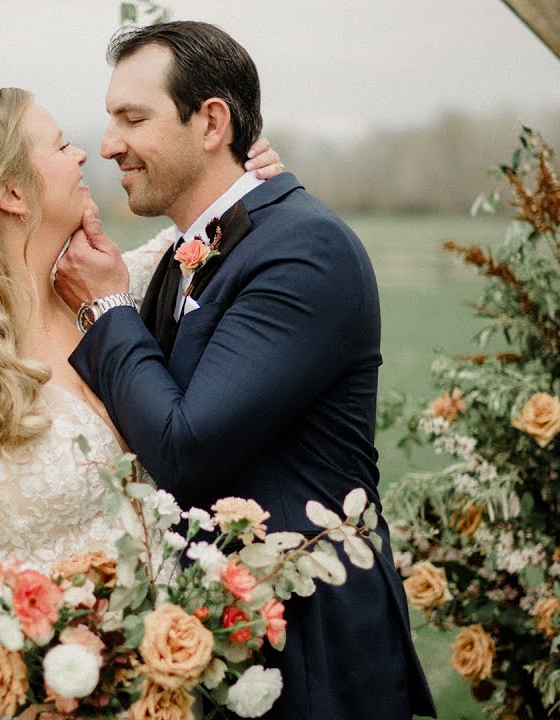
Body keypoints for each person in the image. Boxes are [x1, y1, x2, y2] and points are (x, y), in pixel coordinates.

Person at [0, 87, 281, 716]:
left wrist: (249, 172)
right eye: (60, 144)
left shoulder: (114, 293)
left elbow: (217, 221)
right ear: (12, 194)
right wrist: (30, 659)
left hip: (150, 691)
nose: (83, 155)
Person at [53, 21, 437, 719]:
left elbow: (184, 446)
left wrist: (106, 306)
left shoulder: (304, 250)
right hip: (222, 633)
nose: (108, 144)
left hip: (312, 647)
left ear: (211, 122)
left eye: (132, 118)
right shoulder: (189, 249)